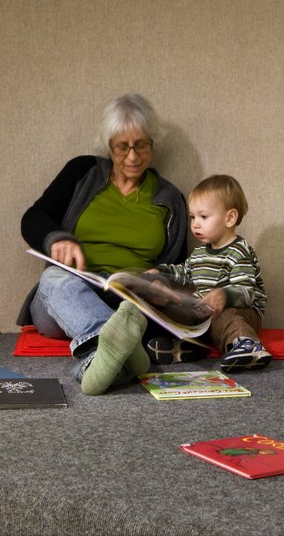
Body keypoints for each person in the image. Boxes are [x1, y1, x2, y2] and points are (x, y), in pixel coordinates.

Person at [18, 93, 188, 393]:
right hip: (65, 298)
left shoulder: (170, 199)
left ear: (153, 144)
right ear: (109, 146)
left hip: (128, 301)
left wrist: (159, 281)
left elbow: (178, 265)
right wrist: (56, 239)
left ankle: (103, 359)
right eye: (123, 147)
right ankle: (115, 343)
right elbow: (34, 217)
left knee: (133, 313)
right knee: (54, 278)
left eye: (141, 145)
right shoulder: (81, 173)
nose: (133, 157)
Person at [148, 174, 271, 372]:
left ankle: (247, 344)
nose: (195, 224)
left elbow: (247, 293)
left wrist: (224, 295)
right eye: (193, 217)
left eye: (203, 217)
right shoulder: (199, 254)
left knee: (222, 316)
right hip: (205, 312)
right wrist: (160, 272)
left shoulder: (239, 251)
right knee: (177, 306)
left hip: (242, 312)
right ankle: (190, 347)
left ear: (230, 218)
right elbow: (183, 272)